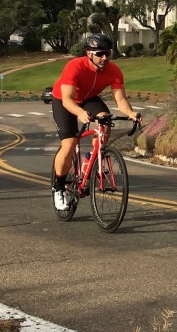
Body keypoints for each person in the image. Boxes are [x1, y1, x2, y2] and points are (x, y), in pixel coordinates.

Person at [50, 34, 141, 211]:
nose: (105, 57)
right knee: (69, 144)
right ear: (89, 53)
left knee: (105, 121)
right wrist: (81, 113)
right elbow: (68, 100)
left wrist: (131, 113)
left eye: (108, 53)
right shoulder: (75, 66)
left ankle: (93, 158)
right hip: (64, 100)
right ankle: (59, 187)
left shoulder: (114, 71)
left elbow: (120, 100)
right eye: (100, 53)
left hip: (89, 98)